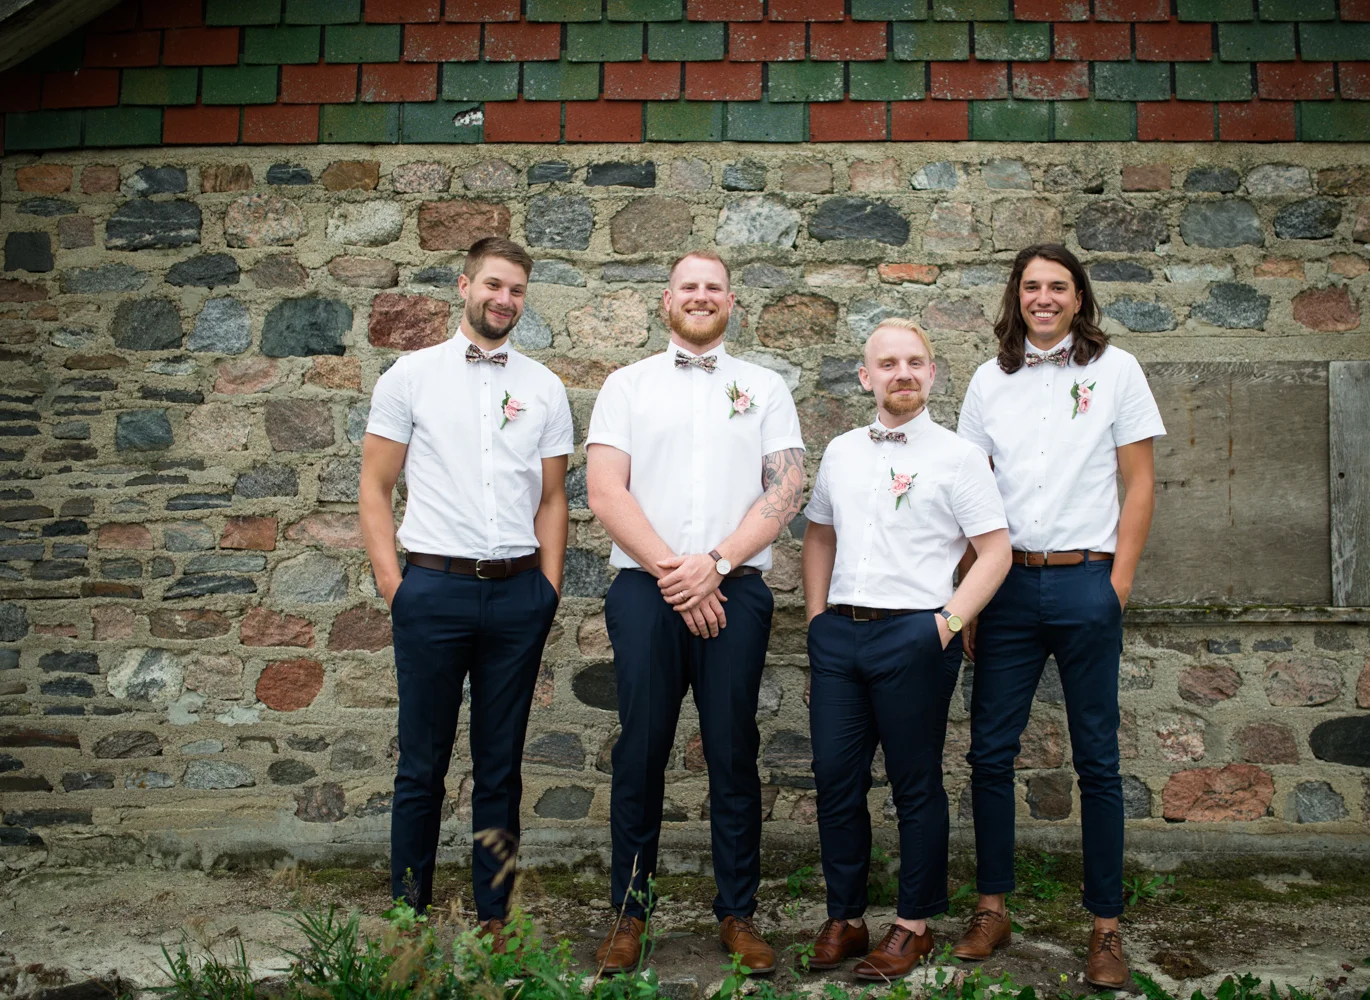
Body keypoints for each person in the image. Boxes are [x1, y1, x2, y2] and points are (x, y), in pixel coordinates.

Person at [585, 251, 805, 975]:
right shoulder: (626, 385)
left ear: (731, 302)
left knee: (733, 750)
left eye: (714, 287)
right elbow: (606, 492)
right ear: (666, 300)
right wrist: (676, 573)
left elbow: (785, 490)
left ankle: (738, 912)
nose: (701, 296)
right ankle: (629, 914)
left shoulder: (764, 386)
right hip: (645, 588)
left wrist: (715, 563)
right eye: (689, 286)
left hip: (734, 587)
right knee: (642, 750)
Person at [953, 243, 1164, 990]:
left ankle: (1105, 927)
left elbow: (1140, 483)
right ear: (1017, 296)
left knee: (1097, 760)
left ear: (1079, 298)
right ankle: (992, 910)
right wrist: (968, 591)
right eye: (1032, 286)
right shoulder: (989, 379)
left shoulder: (1118, 371)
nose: (1044, 298)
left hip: (1086, 581)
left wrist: (1118, 585)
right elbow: (970, 490)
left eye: (1059, 287)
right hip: (1006, 585)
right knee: (989, 754)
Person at [359, 237, 573, 938]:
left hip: (517, 595)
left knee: (500, 767)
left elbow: (552, 499)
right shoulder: (410, 376)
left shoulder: (544, 387)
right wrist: (395, 587)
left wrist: (547, 589)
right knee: (421, 764)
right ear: (464, 285)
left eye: (516, 290)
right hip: (433, 591)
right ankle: (408, 913)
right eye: (493, 285)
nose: (504, 299)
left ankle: (494, 918)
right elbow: (375, 487)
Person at [799, 319, 1012, 982]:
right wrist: (816, 620)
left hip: (915, 636)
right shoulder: (841, 452)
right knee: (835, 778)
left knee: (915, 784)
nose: (903, 373)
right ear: (866, 377)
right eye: (888, 363)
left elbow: (995, 550)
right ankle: (846, 917)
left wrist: (946, 624)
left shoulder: (958, 456)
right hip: (840, 635)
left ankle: (913, 926)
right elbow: (819, 534)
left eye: (915, 362)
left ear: (932, 373)